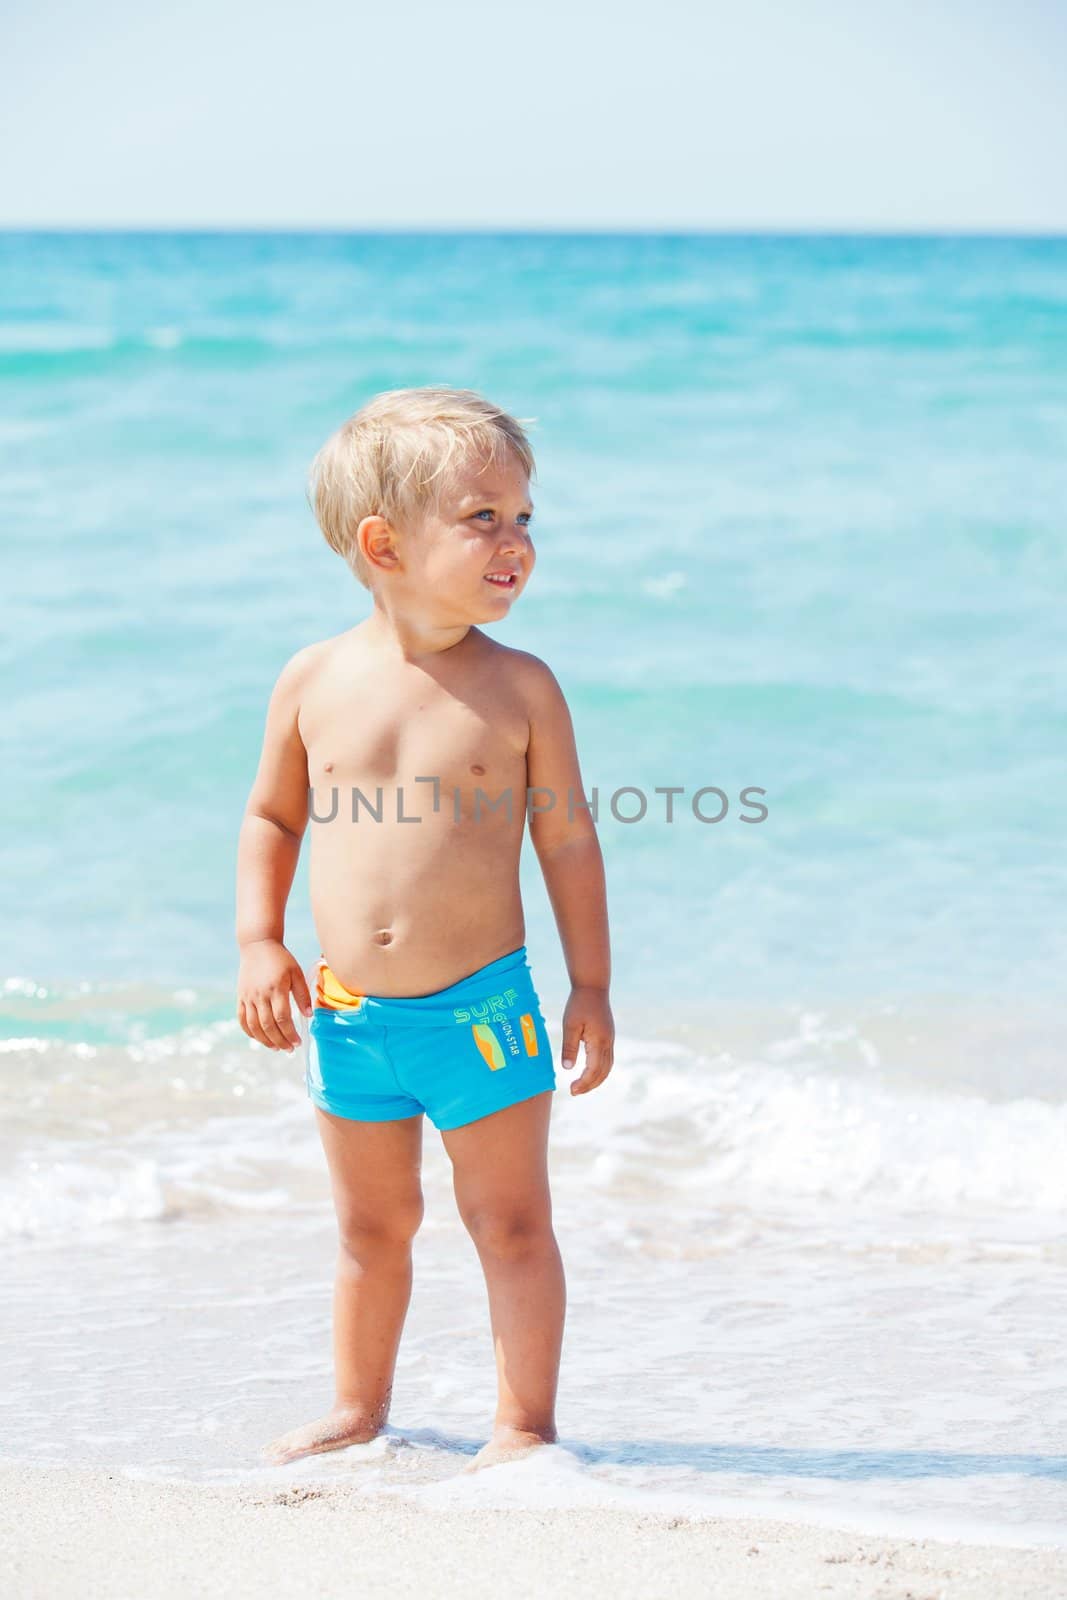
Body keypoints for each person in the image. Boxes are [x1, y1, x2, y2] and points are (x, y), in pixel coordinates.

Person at [235, 386, 615, 1472]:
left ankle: (523, 1424)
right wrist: (258, 941)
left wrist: (587, 984)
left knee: (509, 1224)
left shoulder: (521, 688)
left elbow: (570, 846)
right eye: (483, 516)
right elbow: (271, 815)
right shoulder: (313, 679)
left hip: (483, 1013)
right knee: (369, 1230)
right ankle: (359, 1408)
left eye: (524, 517)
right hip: (349, 1017)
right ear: (382, 542)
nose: (515, 541)